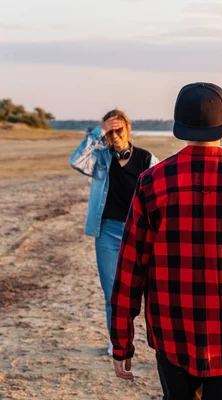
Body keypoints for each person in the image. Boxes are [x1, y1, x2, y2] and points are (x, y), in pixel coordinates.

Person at [110, 82, 222, 400]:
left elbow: (130, 268)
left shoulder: (152, 182)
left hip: (172, 333)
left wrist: (121, 339)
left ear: (178, 127)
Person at [69, 109, 158, 355]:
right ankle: (116, 340)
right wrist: (99, 132)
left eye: (119, 129)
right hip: (107, 232)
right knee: (113, 293)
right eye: (111, 131)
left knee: (149, 292)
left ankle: (155, 339)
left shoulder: (146, 159)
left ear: (128, 129)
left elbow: (162, 189)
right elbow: (76, 160)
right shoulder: (100, 158)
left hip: (139, 233)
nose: (115, 135)